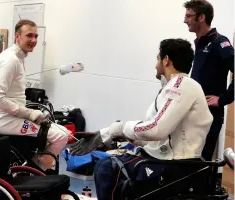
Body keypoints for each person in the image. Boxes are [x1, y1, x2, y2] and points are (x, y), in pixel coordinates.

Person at [70, 38, 214, 200]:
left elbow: (157, 129)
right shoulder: (176, 86)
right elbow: (162, 137)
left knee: (107, 168)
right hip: (167, 159)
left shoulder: (181, 85)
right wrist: (114, 137)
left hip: (176, 165)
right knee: (107, 159)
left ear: (166, 60)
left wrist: (116, 129)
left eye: (157, 58)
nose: (155, 64)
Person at [0, 19, 69, 170]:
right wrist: (29, 113)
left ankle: (32, 166)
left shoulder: (17, 58)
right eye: (29, 35)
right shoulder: (10, 60)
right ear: (17, 36)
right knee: (60, 136)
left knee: (63, 131)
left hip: (12, 117)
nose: (33, 40)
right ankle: (35, 171)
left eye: (36, 36)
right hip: (5, 120)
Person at [183, 0, 234, 161]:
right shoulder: (199, 43)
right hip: (193, 113)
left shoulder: (220, 43)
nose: (185, 20)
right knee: (187, 161)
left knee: (200, 164)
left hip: (209, 116)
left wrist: (222, 99)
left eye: (188, 16)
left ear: (201, 17)